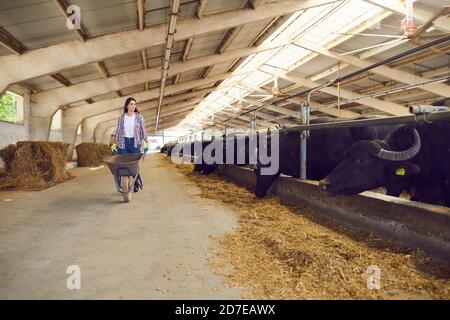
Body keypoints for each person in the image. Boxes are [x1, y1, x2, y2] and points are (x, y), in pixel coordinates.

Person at [112, 97, 148, 192]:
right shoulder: (122, 117)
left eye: (134, 104)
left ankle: (136, 182)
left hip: (135, 143)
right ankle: (124, 181)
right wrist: (115, 142)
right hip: (123, 142)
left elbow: (142, 129)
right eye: (131, 104)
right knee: (123, 163)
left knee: (135, 165)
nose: (133, 106)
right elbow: (118, 130)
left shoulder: (139, 117)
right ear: (127, 105)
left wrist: (147, 141)